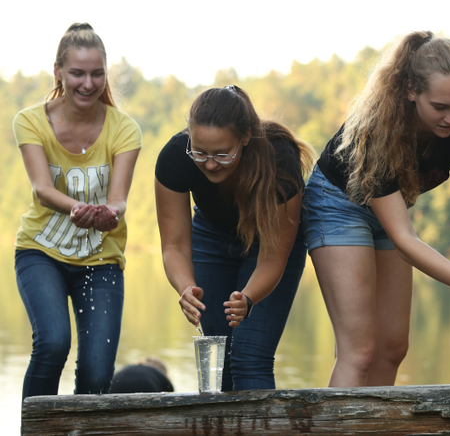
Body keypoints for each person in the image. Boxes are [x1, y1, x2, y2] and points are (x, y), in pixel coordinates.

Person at [304, 31, 450, 388]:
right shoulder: (378, 129)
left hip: (390, 211)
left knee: (393, 348)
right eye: (440, 107)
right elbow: (405, 239)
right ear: (411, 90)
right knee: (360, 351)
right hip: (338, 205)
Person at [155, 85, 314, 391]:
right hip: (211, 235)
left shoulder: (280, 162)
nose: (210, 164)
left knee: (249, 357)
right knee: (217, 362)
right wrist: (186, 287)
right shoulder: (175, 157)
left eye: (222, 154)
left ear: (244, 139)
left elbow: (272, 258)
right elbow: (174, 246)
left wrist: (249, 297)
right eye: (200, 152)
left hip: (268, 238)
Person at [13, 23, 142, 399]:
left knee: (98, 372)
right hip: (41, 251)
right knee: (53, 343)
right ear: (59, 73)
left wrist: (110, 214)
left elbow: (119, 200)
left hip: (101, 259)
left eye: (97, 73)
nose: (88, 83)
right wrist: (81, 208)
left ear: (106, 73)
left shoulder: (125, 129)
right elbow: (42, 189)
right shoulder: (31, 120)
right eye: (77, 73)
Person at [109, 357, 174, 393]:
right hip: (147, 389)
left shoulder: (128, 367)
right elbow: (171, 391)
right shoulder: (158, 374)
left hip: (114, 390)